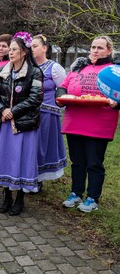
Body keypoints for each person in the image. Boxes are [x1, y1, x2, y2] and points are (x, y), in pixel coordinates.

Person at [0, 31, 44, 216]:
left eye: (14, 49)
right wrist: (2, 110)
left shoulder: (35, 72)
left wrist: (12, 112)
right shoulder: (3, 71)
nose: (10, 52)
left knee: (20, 160)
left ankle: (20, 199)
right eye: (9, 49)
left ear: (24, 52)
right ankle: (7, 195)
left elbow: (35, 99)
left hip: (23, 125)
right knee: (5, 159)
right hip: (4, 124)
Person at [57, 36, 119, 213]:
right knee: (77, 162)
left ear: (109, 50)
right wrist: (62, 97)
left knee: (93, 163)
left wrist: (117, 102)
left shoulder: (114, 70)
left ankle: (92, 198)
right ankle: (75, 193)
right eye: (93, 47)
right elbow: (62, 87)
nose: (95, 50)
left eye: (100, 47)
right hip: (74, 121)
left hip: (99, 125)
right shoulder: (79, 67)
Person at [31, 34, 67, 192]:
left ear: (44, 48)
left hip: (47, 115)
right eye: (30, 46)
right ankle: (28, 176)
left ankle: (39, 178)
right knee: (29, 146)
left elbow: (63, 92)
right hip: (29, 114)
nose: (32, 49)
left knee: (41, 147)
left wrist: (57, 108)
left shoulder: (54, 68)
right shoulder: (27, 67)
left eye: (35, 46)